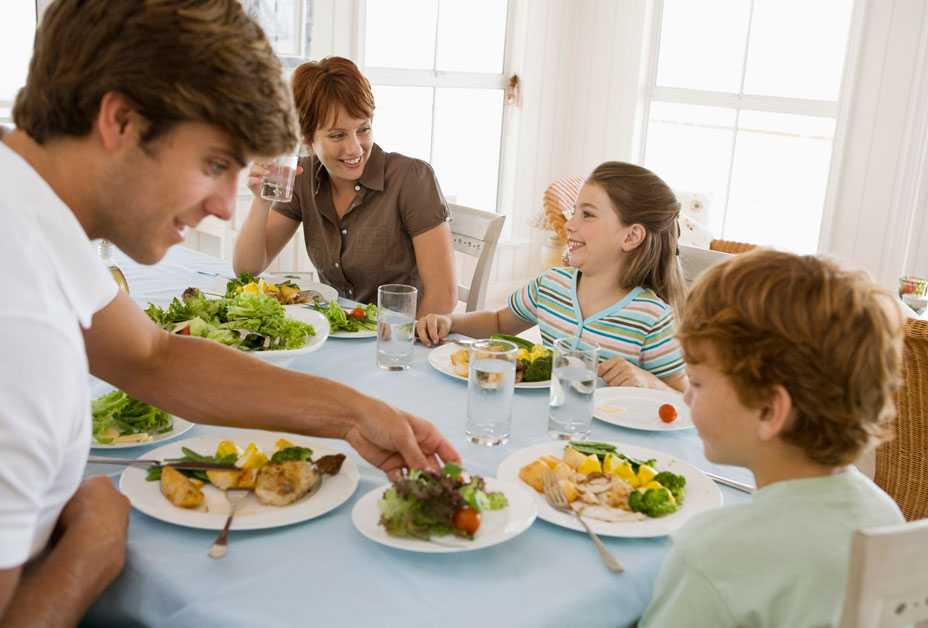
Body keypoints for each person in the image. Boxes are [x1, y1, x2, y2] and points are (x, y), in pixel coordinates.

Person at [0, 2, 458, 624]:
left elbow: (153, 357)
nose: (221, 206)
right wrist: (95, 548)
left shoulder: (29, 213)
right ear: (120, 121)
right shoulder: (18, 317)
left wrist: (354, 413)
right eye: (214, 164)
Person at [639, 250, 905, 627]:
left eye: (697, 383)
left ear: (769, 410)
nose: (685, 396)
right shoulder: (883, 514)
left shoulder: (713, 552)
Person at [417, 161, 687, 392]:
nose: (570, 224)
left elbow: (683, 400)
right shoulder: (552, 285)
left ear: (630, 236)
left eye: (588, 215)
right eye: (574, 212)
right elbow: (498, 322)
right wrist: (450, 321)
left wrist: (649, 382)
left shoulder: (652, 318)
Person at [233, 56, 458, 315]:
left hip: (400, 341)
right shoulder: (302, 177)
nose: (354, 148)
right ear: (306, 137)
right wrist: (261, 200)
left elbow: (443, 298)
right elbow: (247, 270)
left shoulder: (412, 178)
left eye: (363, 129)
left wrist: (397, 347)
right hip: (337, 334)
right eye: (337, 135)